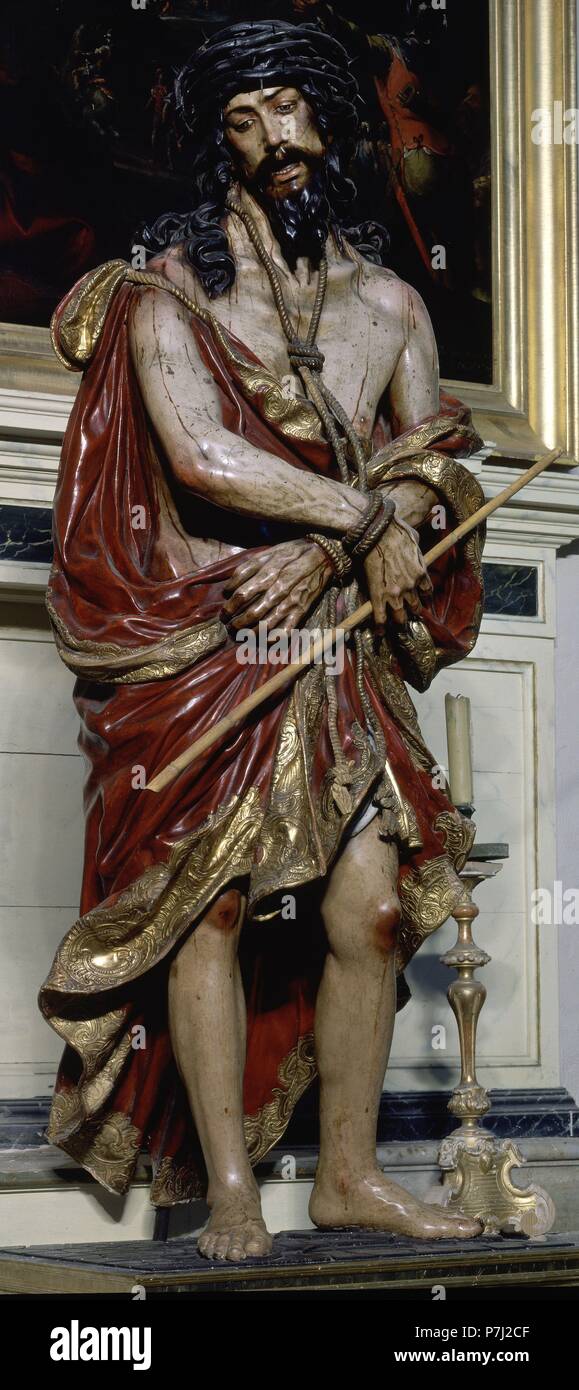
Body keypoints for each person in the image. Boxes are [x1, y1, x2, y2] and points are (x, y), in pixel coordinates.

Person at [41, 20, 486, 1261]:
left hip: (338, 649)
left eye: (289, 109)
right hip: (212, 644)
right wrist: (352, 516)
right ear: (215, 146)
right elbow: (198, 452)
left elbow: (430, 462)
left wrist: (363, 531)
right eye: (241, 122)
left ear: (330, 118)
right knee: (210, 909)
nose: (271, 140)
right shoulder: (165, 287)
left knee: (373, 916)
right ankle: (231, 1185)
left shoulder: (392, 303)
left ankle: (348, 1175)